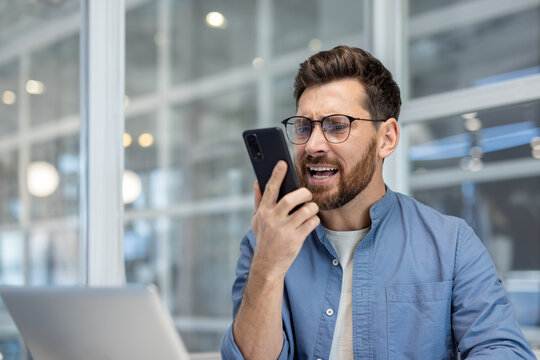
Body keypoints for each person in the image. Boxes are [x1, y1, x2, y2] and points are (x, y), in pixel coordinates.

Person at [220, 45, 536, 360]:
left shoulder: (451, 244)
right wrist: (268, 267)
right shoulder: (264, 243)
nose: (313, 145)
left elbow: (504, 350)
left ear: (386, 139)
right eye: (304, 127)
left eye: (336, 126)